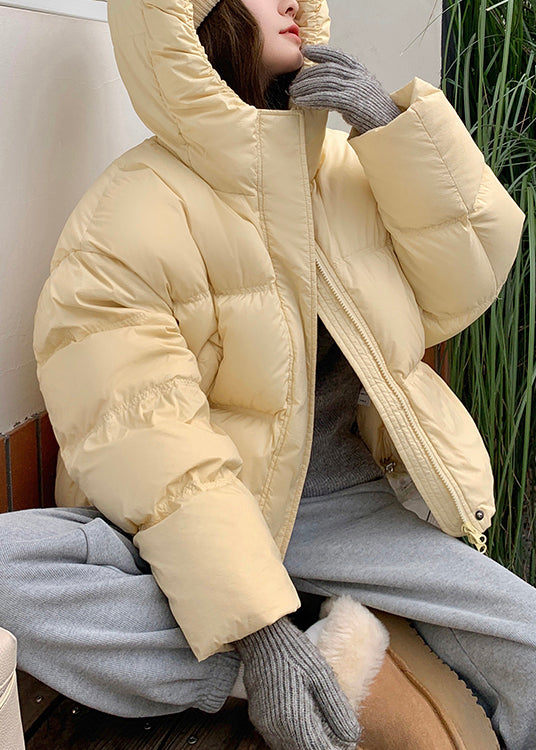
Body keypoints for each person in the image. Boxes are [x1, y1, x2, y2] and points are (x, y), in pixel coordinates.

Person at [0, 0, 533, 748]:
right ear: (193, 21)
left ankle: (320, 627)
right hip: (208, 514)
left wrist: (392, 132)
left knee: (528, 646)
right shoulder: (126, 213)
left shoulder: (344, 169)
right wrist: (257, 631)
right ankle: (293, 659)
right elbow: (149, 438)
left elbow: (465, 282)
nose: (292, 2)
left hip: (346, 506)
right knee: (6, 567)